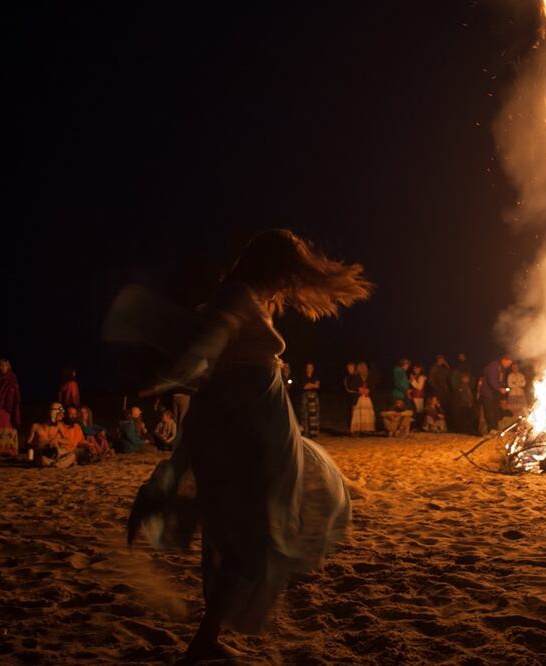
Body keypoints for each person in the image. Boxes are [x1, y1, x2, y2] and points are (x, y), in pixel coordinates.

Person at [126, 229, 369, 661]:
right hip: (248, 424)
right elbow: (211, 339)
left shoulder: (250, 296)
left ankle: (208, 637)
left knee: (251, 527)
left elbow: (225, 345)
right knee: (248, 530)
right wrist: (176, 374)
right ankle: (205, 638)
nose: (286, 284)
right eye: (285, 273)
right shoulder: (237, 296)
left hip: (261, 419)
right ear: (270, 267)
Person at [26, 403, 77, 468]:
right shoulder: (35, 426)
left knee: (72, 456)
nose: (62, 417)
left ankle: (56, 464)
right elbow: (28, 443)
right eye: (59, 415)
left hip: (55, 454)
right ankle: (57, 464)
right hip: (42, 455)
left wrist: (57, 440)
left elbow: (68, 441)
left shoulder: (58, 426)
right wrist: (41, 445)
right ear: (53, 414)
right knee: (42, 459)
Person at [0, 359, 22, 456]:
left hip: (8, 406)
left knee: (9, 426)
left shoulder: (12, 377)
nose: (3, 367)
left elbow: (16, 392)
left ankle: (9, 450)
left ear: (8, 367)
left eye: (5, 365)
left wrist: (16, 403)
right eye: (1, 365)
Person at [350, 361, 376, 434]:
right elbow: (352, 385)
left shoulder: (369, 377)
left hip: (367, 397)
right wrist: (358, 389)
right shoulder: (356, 377)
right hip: (359, 397)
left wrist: (369, 390)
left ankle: (367, 429)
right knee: (359, 413)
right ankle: (358, 429)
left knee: (367, 413)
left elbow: (373, 386)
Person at [299, 362, 321, 438]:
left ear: (313, 369)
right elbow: (304, 387)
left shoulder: (315, 376)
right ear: (306, 369)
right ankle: (306, 432)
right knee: (305, 414)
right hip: (305, 397)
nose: (309, 369)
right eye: (308, 367)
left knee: (314, 414)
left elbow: (317, 386)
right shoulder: (303, 376)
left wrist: (309, 384)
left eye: (311, 367)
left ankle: (314, 432)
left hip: (314, 398)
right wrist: (312, 385)